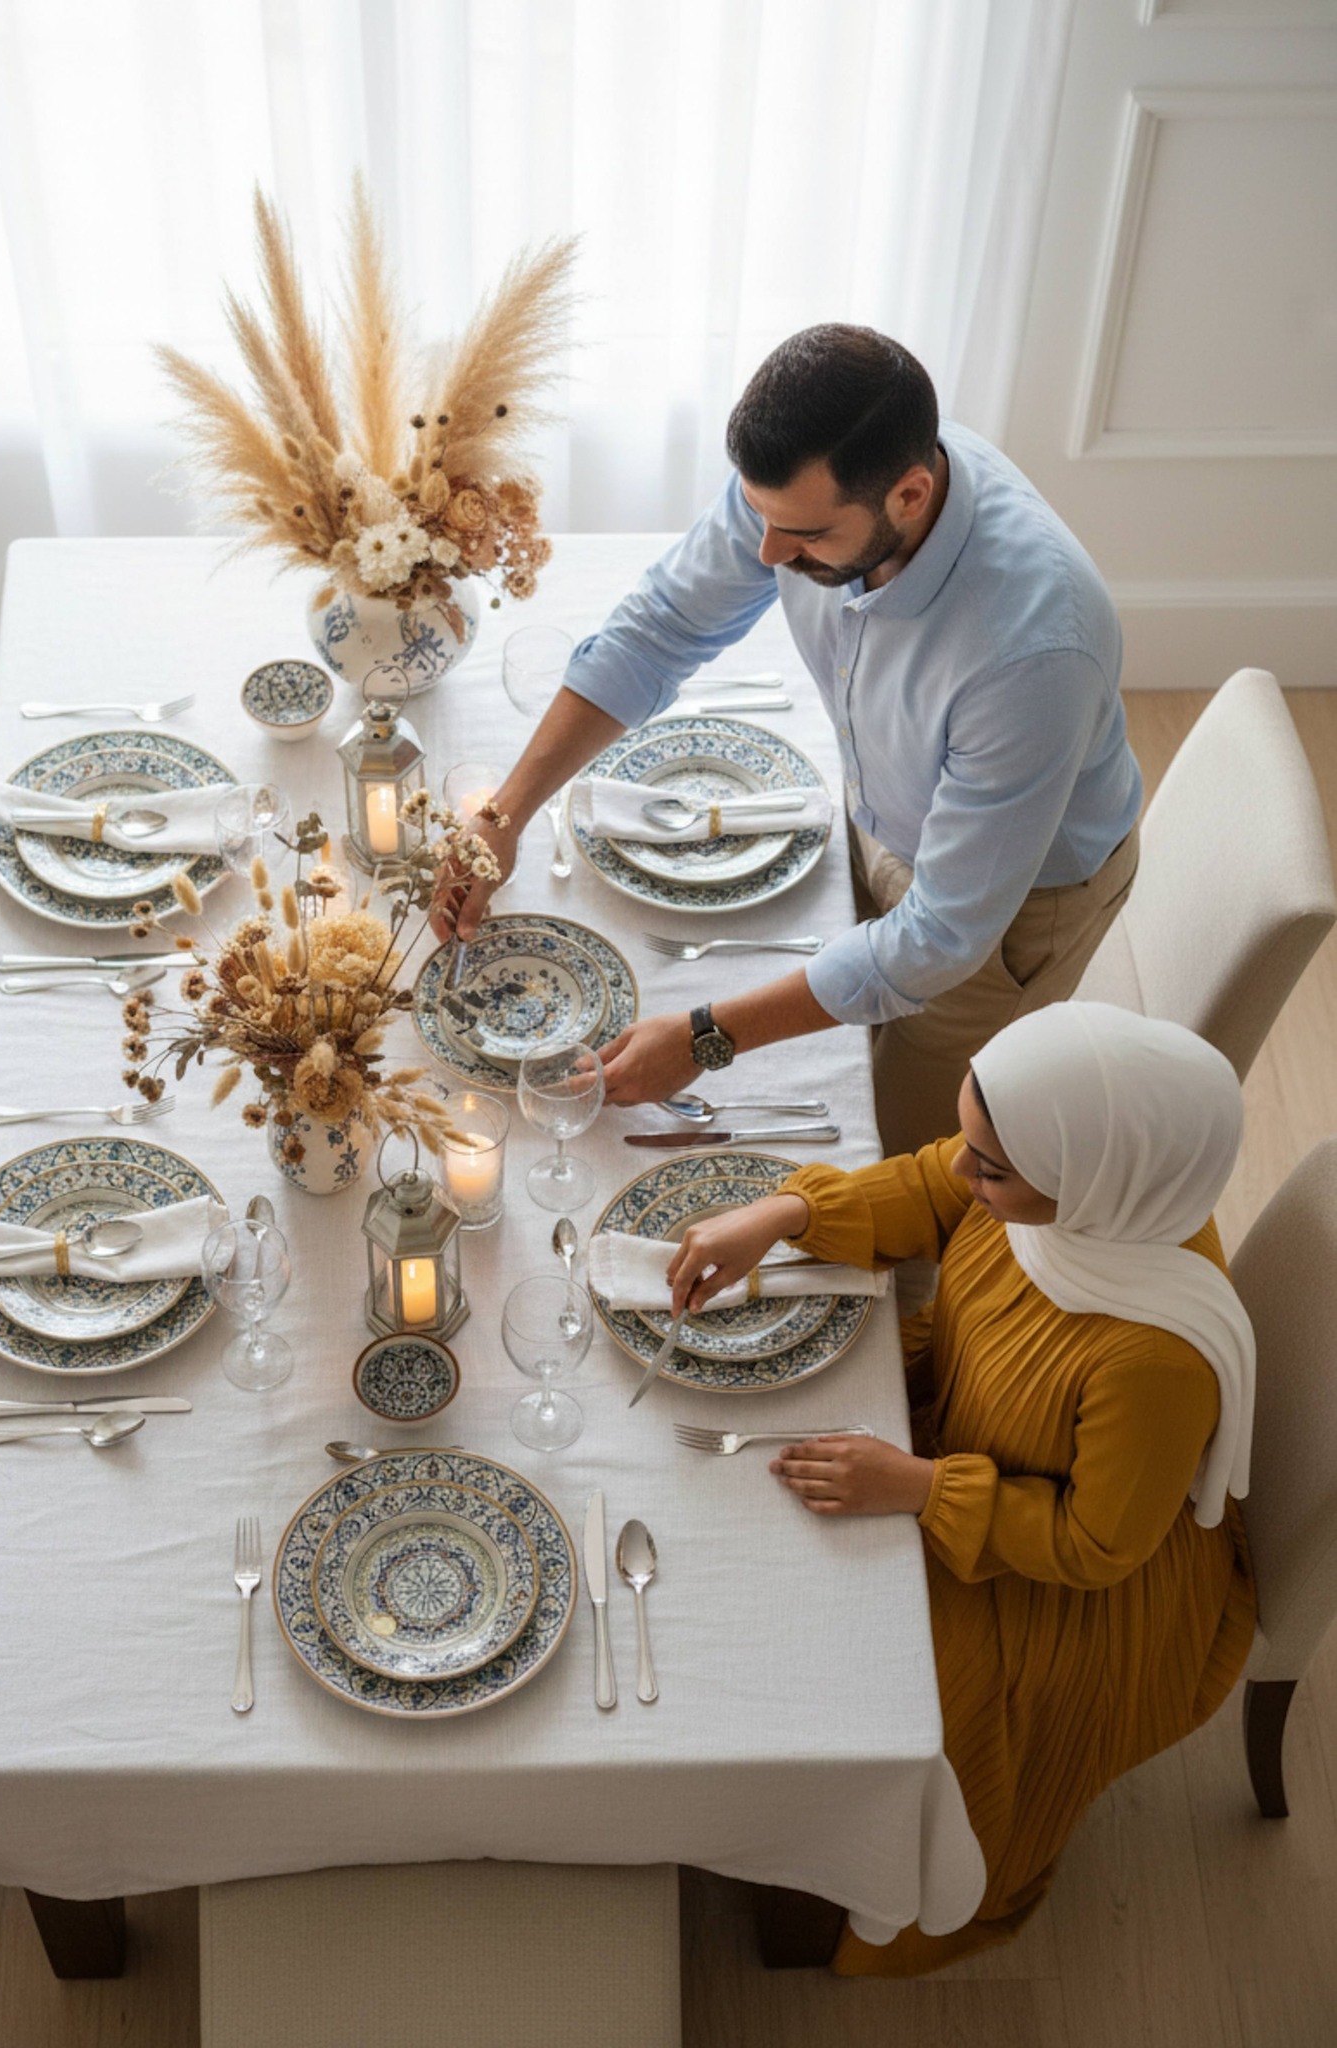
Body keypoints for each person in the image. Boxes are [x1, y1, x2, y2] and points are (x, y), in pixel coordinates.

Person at [434, 325, 1142, 1154]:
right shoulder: (809, 490)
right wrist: (503, 820)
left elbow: (938, 943)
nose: (767, 552)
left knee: (904, 1163)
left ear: (909, 497)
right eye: (757, 515)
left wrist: (706, 1036)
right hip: (882, 814)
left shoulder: (1032, 653)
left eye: (802, 536)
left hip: (1016, 908)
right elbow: (657, 630)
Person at [664, 1002, 1257, 1975]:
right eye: (972, 1143)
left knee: (851, 1664)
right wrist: (784, 1213)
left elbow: (1094, 1545)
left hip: (1062, 1586)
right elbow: (929, 1184)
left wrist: (916, 1487)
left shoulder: (1151, 1361)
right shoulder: (1074, 1177)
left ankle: (838, 1876)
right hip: (960, 1448)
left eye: (993, 1168)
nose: (965, 1174)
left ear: (1084, 1177)